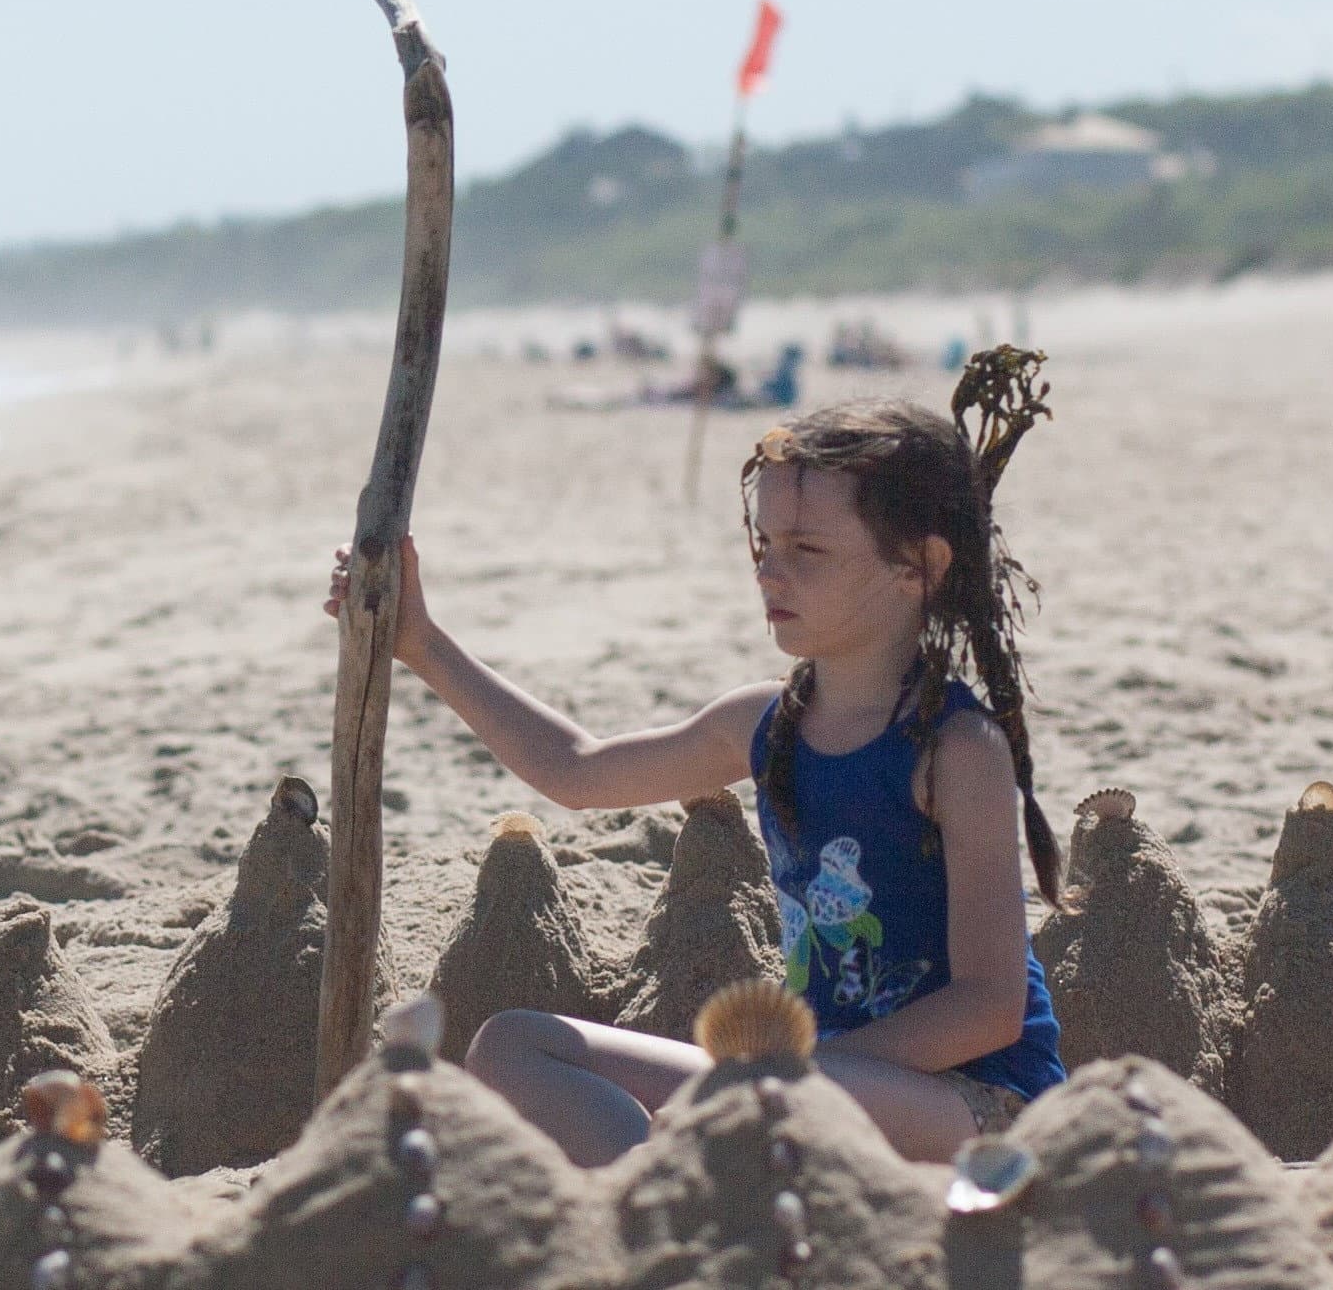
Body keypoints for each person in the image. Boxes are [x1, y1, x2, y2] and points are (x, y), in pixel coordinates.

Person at [325, 377, 1066, 1165]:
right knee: (513, 1048)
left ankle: (707, 1174)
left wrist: (799, 1071)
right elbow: (575, 770)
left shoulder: (955, 750)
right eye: (765, 545)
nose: (770, 573)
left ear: (919, 565)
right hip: (794, 1087)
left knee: (748, 1104)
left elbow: (990, 1010)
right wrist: (423, 645)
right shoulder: (763, 725)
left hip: (976, 1104)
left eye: (806, 550)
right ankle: (664, 1215)